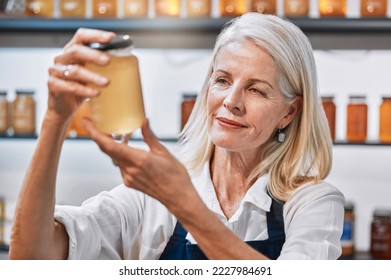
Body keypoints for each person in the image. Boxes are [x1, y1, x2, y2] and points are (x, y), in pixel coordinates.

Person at [9, 12, 344, 260]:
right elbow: (30, 259)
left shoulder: (312, 203)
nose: (231, 102)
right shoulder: (151, 198)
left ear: (290, 111)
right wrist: (55, 120)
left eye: (256, 90)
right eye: (223, 80)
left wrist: (183, 203)